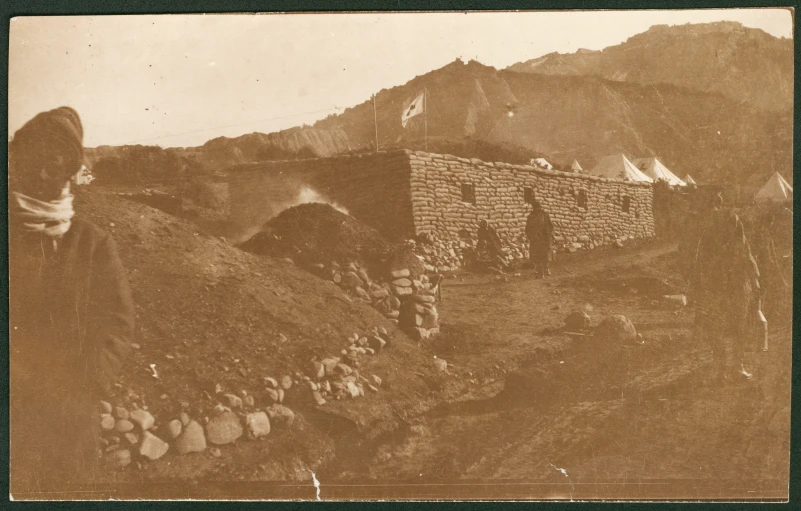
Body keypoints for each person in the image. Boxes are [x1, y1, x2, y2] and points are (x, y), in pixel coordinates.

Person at [9, 107, 135, 497]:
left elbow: (117, 323)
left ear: (69, 172)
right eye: (36, 162)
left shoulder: (92, 243)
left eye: (56, 164)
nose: (44, 175)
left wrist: (86, 386)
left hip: (70, 415)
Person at [689, 193, 761, 384]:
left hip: (714, 284)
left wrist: (695, 286)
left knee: (716, 328)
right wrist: (754, 277)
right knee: (738, 325)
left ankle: (722, 371)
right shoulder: (731, 218)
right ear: (719, 204)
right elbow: (744, 249)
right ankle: (737, 368)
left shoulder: (700, 225)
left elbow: (695, 258)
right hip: (734, 282)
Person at [525, 199, 555, 278]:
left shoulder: (545, 215)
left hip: (544, 238)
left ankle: (546, 268)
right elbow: (527, 228)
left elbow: (550, 226)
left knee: (545, 254)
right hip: (535, 239)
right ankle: (540, 271)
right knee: (536, 255)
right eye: (535, 207)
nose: (537, 208)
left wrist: (549, 235)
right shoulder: (531, 216)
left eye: (538, 207)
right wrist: (531, 236)